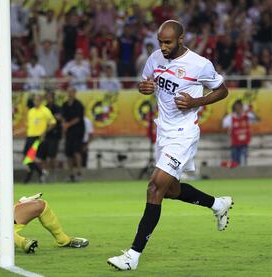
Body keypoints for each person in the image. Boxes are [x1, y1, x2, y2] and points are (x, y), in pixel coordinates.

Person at [107, 20, 233, 271]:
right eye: (160, 42)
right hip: (162, 132)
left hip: (183, 134)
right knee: (170, 190)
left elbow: (223, 91)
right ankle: (217, 204)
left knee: (154, 188)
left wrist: (197, 100)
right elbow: (146, 84)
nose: (163, 47)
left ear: (181, 39)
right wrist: (144, 88)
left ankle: (132, 255)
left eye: (168, 42)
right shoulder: (154, 58)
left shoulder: (199, 64)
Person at [23, 94, 56, 183]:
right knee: (27, 158)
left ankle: (30, 177)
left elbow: (53, 122)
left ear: (41, 101)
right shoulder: (31, 111)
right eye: (35, 100)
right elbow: (28, 125)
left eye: (37, 100)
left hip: (38, 137)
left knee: (32, 157)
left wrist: (44, 132)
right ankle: (40, 172)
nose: (36, 102)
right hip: (30, 136)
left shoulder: (45, 111)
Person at [222, 100, 258, 166]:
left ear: (242, 107)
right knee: (235, 162)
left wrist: (249, 110)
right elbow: (224, 125)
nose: (238, 109)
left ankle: (244, 174)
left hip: (244, 143)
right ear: (234, 108)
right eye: (237, 107)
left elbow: (255, 119)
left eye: (240, 107)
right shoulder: (230, 117)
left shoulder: (247, 116)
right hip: (235, 143)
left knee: (243, 161)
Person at [62, 87, 85, 182]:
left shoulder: (79, 105)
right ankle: (71, 174)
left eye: (71, 92)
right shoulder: (65, 104)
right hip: (69, 132)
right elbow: (63, 116)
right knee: (68, 153)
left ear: (75, 93)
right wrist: (64, 125)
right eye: (68, 92)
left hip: (77, 131)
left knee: (77, 152)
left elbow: (78, 118)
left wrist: (68, 124)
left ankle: (79, 172)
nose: (70, 94)